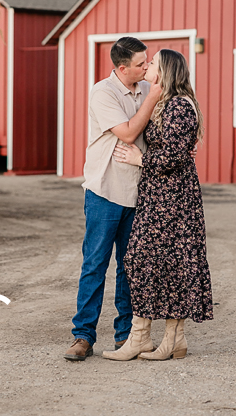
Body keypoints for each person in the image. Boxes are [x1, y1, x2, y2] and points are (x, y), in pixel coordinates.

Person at [103, 48, 213, 361]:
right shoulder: (166, 102)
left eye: (152, 63)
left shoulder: (179, 105)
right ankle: (141, 338)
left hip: (173, 199)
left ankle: (172, 339)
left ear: (164, 71)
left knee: (167, 262)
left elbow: (174, 157)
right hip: (157, 195)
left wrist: (141, 159)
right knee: (143, 260)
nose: (148, 65)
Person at [64, 37, 160, 361]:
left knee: (129, 266)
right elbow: (129, 133)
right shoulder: (103, 92)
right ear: (122, 68)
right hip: (105, 190)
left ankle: (125, 336)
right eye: (140, 64)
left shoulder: (146, 88)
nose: (147, 67)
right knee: (95, 264)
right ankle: (83, 336)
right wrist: (154, 96)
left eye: (147, 61)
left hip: (138, 191)